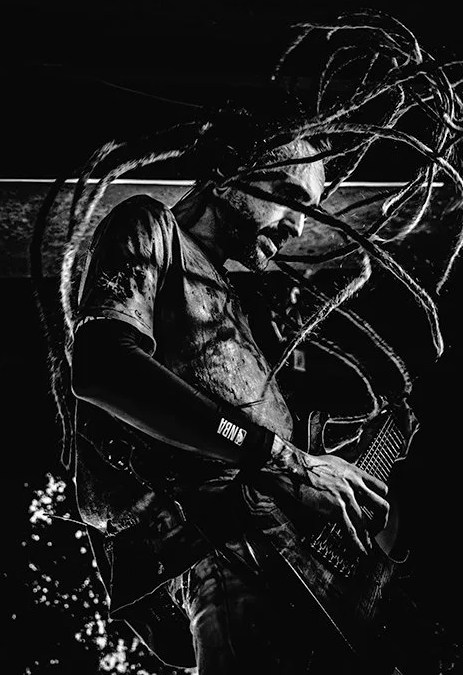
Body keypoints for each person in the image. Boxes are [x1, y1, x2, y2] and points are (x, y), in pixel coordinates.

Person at [67, 121, 392, 674]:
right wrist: (282, 460)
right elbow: (103, 368)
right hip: (225, 543)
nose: (297, 226)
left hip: (283, 550)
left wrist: (314, 456)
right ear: (225, 176)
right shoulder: (153, 228)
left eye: (309, 211)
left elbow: (247, 426)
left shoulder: (239, 304)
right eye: (291, 199)